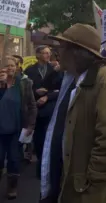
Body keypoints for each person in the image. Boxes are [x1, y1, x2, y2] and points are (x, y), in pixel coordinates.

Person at [40, 24, 106, 203]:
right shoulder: (72, 79)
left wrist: (92, 178)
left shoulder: (104, 78)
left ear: (77, 52)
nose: (58, 52)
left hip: (90, 190)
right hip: (72, 183)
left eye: (63, 47)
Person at [0, 56, 36, 199]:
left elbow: (32, 105)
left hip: (16, 129)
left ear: (17, 66)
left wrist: (31, 125)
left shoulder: (24, 83)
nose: (10, 68)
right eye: (6, 65)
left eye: (12, 65)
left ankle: (12, 186)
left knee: (15, 159)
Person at [24, 46, 61, 179]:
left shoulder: (54, 70)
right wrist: (36, 93)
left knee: (49, 138)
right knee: (39, 140)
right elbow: (25, 90)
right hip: (35, 110)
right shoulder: (30, 70)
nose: (47, 55)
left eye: (49, 53)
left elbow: (60, 90)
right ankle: (40, 163)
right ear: (38, 54)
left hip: (50, 108)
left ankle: (47, 168)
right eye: (44, 53)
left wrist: (47, 97)